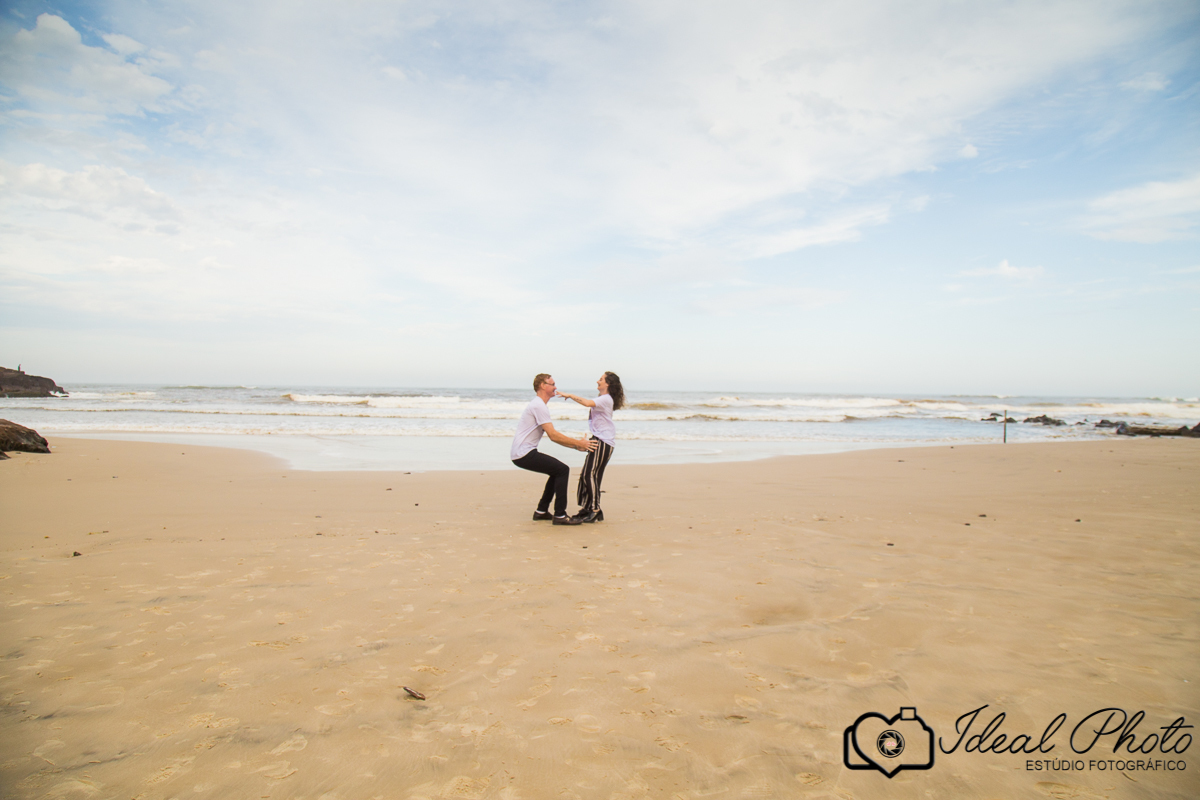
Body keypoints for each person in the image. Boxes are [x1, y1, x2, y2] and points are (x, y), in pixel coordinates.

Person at [511, 373, 597, 525]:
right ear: (543, 386)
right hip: (524, 454)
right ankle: (560, 515)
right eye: (552, 384)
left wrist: (576, 446)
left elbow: (554, 436)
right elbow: (553, 435)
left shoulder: (539, 405)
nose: (555, 387)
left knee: (556, 471)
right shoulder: (538, 406)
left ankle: (541, 511)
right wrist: (579, 444)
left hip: (521, 453)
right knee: (562, 470)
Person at [557, 371, 624, 523]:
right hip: (599, 440)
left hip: (603, 441)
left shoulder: (606, 398)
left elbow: (587, 403)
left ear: (608, 383)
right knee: (589, 475)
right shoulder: (603, 398)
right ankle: (588, 508)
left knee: (590, 474)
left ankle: (595, 509)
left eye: (601, 379)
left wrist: (570, 395)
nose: (597, 381)